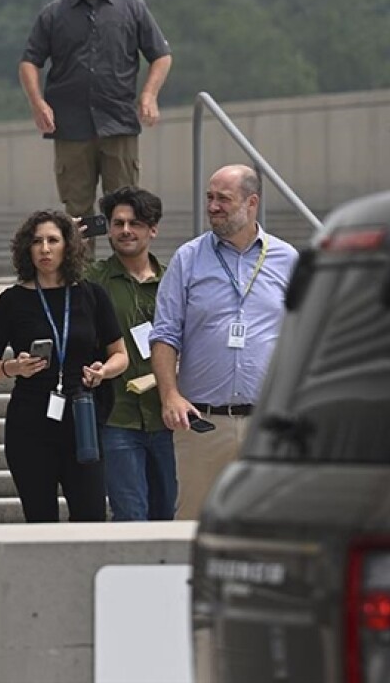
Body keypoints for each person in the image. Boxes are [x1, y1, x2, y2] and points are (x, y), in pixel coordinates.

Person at [150, 165, 299, 520]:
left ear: (252, 203)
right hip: (203, 423)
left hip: (267, 424)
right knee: (193, 524)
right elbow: (165, 334)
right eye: (210, 197)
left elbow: (303, 334)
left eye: (223, 199)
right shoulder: (188, 258)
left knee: (268, 524)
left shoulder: (288, 260)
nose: (213, 206)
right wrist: (170, 395)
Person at [0, 210, 128, 523]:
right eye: (37, 241)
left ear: (68, 246)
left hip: (81, 415)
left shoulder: (91, 295)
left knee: (91, 516)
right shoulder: (12, 301)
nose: (44, 249)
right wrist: (13, 368)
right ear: (26, 248)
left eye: (53, 240)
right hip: (30, 420)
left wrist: (102, 372)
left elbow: (120, 355)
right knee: (39, 518)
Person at [20, 0, 173, 220]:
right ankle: (83, 250)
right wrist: (37, 103)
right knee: (77, 213)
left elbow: (161, 56)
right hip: (70, 127)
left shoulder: (133, 8)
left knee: (125, 207)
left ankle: (122, 249)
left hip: (119, 122)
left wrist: (149, 94)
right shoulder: (54, 13)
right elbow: (29, 62)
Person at [84, 186, 175, 521]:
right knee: (130, 515)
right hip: (116, 416)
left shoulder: (173, 280)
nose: (125, 230)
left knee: (168, 514)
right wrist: (69, 240)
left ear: (153, 229)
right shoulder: (92, 279)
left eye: (135, 223)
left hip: (167, 416)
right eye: (117, 223)